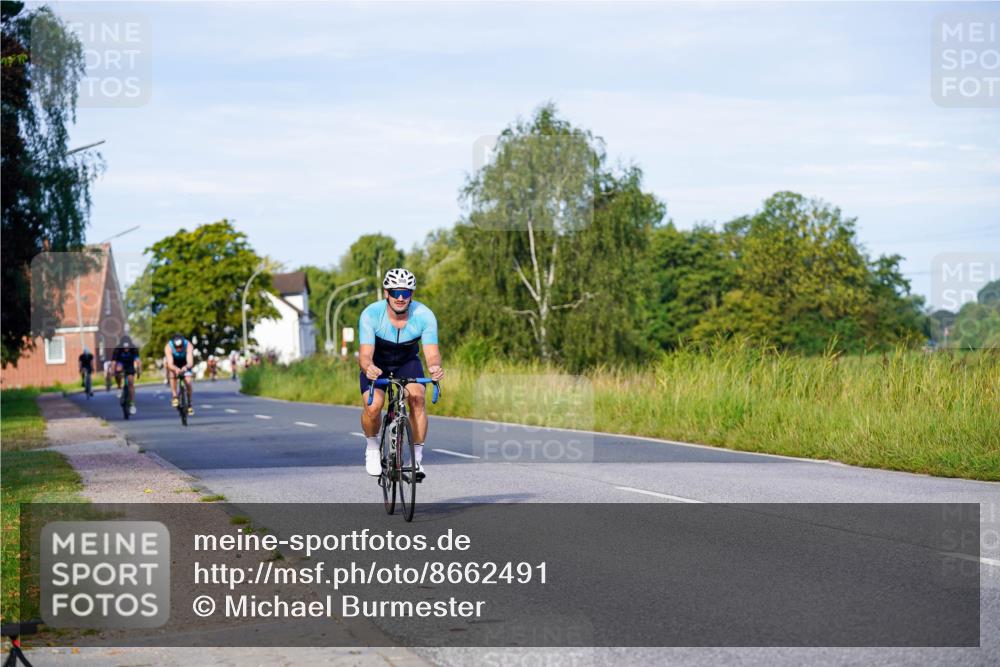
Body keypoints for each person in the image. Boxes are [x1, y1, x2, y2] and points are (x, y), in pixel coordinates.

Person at [358, 268, 444, 480]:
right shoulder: (371, 314)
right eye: (396, 292)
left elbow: (432, 354)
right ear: (386, 293)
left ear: (411, 295)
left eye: (406, 293)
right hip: (377, 362)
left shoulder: (424, 315)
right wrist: (368, 367)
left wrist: (434, 367)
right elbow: (365, 355)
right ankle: (371, 446)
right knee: (373, 406)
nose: (400, 298)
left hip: (407, 361)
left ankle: (416, 460)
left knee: (417, 398)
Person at [164, 333, 195, 415]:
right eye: (176, 347)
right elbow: (170, 364)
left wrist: (186, 367)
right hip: (174, 363)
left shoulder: (188, 345)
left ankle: (189, 403)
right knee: (172, 375)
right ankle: (174, 396)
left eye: (180, 347)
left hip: (185, 362)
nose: (179, 349)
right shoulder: (168, 347)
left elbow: (190, 362)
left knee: (188, 381)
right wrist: (176, 369)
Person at [112, 335, 142, 414]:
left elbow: (138, 361)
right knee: (118, 369)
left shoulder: (134, 349)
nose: (126, 349)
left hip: (129, 365)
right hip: (120, 363)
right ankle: (119, 386)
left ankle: (132, 404)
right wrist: (113, 372)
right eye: (125, 348)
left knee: (131, 383)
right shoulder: (117, 349)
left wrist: (139, 370)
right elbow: (113, 362)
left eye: (128, 347)